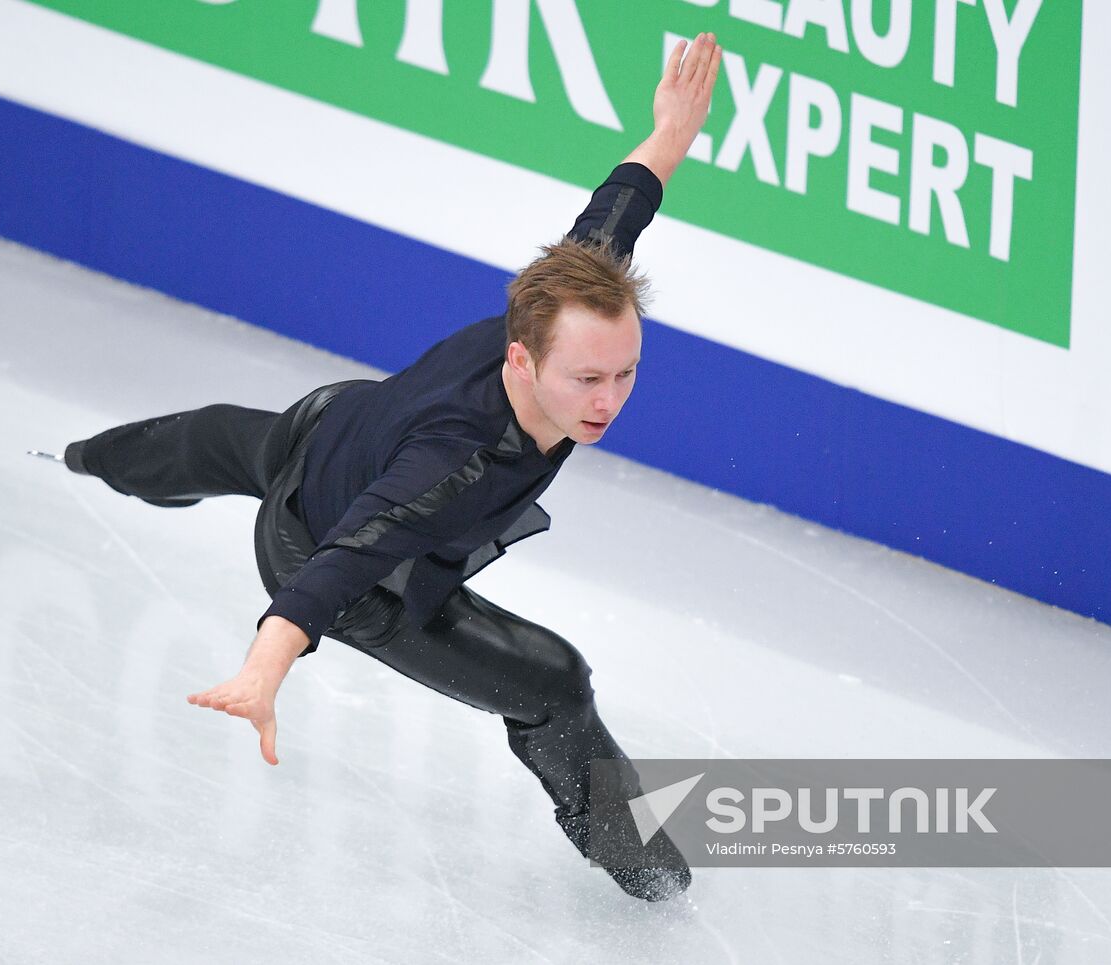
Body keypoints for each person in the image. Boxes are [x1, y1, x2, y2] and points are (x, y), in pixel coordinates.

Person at [56, 33, 722, 901]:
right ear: (521, 360)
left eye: (626, 372)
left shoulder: (565, 299)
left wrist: (669, 132)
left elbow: (617, 208)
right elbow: (347, 560)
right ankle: (656, 877)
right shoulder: (456, 467)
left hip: (335, 424)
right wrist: (263, 670)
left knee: (213, 439)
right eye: (588, 378)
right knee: (555, 683)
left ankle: (79, 457)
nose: (609, 399)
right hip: (328, 545)